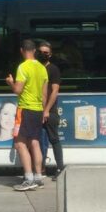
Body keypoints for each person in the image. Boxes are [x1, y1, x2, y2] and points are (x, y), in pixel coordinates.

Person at [5, 39, 49, 191]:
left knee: (19, 143)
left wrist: (10, 82)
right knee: (35, 142)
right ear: (35, 51)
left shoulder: (23, 67)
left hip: (25, 109)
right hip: (38, 110)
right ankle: (38, 177)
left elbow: (18, 90)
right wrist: (44, 111)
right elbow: (44, 94)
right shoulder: (42, 68)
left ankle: (28, 178)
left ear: (22, 51)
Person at [37, 41, 64, 175]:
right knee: (38, 142)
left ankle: (60, 168)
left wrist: (46, 110)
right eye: (40, 52)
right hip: (36, 110)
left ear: (50, 54)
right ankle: (40, 168)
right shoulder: (35, 68)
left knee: (54, 139)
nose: (43, 54)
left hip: (50, 112)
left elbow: (54, 91)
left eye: (46, 52)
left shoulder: (53, 69)